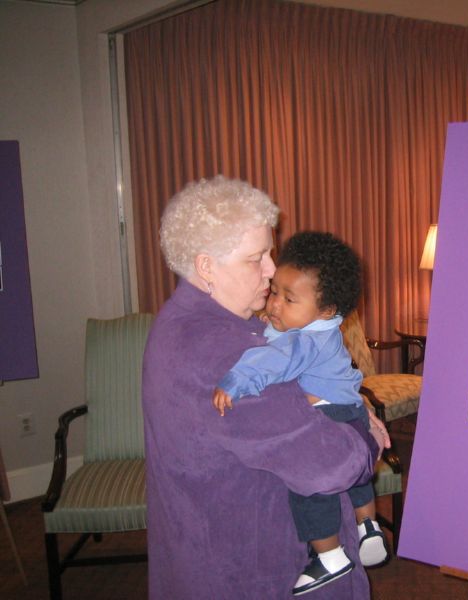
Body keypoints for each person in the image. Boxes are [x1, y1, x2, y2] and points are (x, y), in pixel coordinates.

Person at [143, 176, 385, 598]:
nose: (272, 270)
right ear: (206, 266)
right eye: (256, 258)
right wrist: (368, 439)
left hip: (206, 549)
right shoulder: (219, 352)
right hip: (256, 566)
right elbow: (327, 464)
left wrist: (350, 401)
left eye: (270, 253)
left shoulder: (187, 320)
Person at [211, 231, 387, 592]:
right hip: (352, 410)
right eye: (275, 291)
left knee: (308, 482)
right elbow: (280, 334)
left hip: (330, 414)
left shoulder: (304, 339)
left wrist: (237, 380)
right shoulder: (324, 328)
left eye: (289, 299)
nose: (275, 304)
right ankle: (368, 525)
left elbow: (274, 360)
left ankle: (328, 554)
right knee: (358, 480)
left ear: (326, 310)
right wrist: (274, 321)